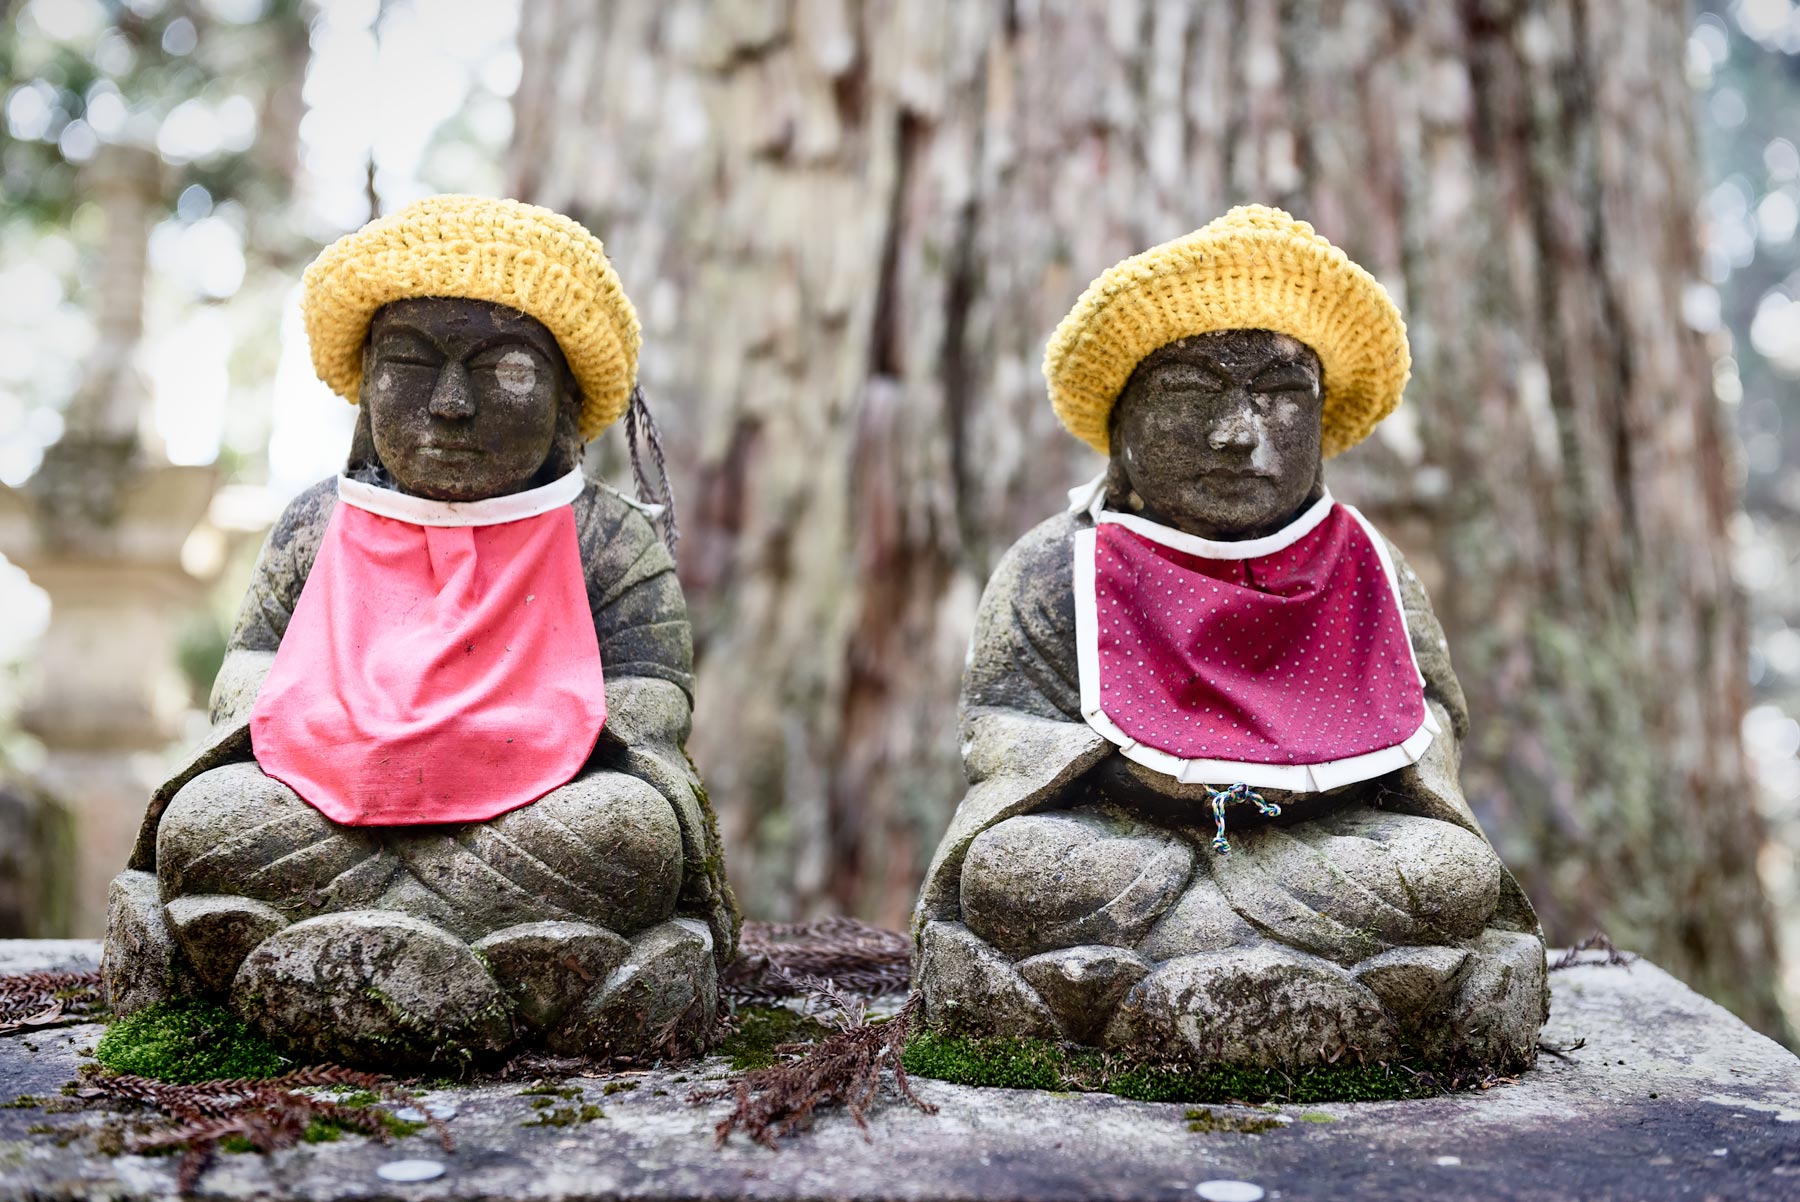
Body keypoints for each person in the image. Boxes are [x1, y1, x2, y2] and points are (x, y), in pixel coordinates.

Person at [913, 206, 1546, 1070]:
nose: (1237, 434)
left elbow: (1427, 711)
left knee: (1446, 876)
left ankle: (1174, 962)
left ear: (1321, 421)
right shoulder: (1059, 566)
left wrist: (1323, 778)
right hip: (1127, 846)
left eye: (1281, 398)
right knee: (1013, 870)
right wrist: (1131, 773)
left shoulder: (1365, 566)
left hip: (1322, 844)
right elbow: (1000, 721)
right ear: (1124, 426)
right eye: (1188, 394)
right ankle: (1312, 968)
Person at [106, 196, 734, 1066]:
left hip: (534, 801)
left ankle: (343, 940)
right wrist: (341, 736)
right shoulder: (316, 523)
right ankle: (473, 940)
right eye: (409, 363)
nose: (449, 404)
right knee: (207, 822)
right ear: (365, 389)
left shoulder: (605, 535)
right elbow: (254, 665)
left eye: (503, 368)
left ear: (561, 400)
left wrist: (511, 742)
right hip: (329, 792)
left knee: (629, 831)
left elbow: (650, 692)